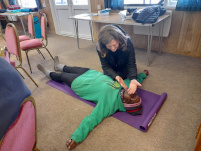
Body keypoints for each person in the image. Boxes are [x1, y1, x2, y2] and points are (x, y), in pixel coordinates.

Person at [37, 56, 149, 150]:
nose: (132, 93)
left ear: (126, 103)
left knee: (62, 76)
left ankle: (48, 73)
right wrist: (143, 75)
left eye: (132, 97)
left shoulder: (109, 104)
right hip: (93, 74)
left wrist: (76, 137)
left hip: (81, 84)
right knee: (71, 68)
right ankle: (58, 66)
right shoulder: (127, 87)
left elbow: (92, 119)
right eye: (135, 94)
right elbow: (136, 81)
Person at [97, 24, 140, 95]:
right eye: (109, 46)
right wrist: (116, 77)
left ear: (119, 39)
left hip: (123, 66)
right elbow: (105, 66)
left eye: (114, 44)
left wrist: (133, 79)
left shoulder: (127, 42)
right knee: (108, 87)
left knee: (124, 83)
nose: (113, 49)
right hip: (111, 68)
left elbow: (131, 63)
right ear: (104, 45)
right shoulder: (100, 47)